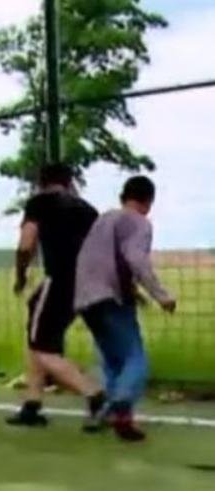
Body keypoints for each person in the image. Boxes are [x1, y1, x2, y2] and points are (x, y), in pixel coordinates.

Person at [75, 176, 176, 442]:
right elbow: (135, 258)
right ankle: (117, 405)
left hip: (85, 298)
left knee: (111, 361)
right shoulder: (138, 221)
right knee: (135, 359)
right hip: (111, 298)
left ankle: (118, 417)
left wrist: (134, 292)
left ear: (123, 195)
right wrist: (161, 295)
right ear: (149, 201)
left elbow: (102, 260)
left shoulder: (104, 219)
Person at [7, 164, 106, 429]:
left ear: (41, 182)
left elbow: (26, 244)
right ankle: (32, 403)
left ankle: (94, 394)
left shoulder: (39, 203)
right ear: (69, 181)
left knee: (42, 348)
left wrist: (20, 275)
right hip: (85, 283)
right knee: (37, 329)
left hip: (60, 280)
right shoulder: (86, 209)